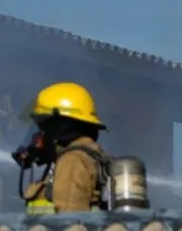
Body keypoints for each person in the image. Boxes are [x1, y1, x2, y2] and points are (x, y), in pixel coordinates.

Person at [17, 82, 112, 215]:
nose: (38, 137)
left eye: (43, 127)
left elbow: (70, 226)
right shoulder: (87, 156)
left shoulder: (73, 160)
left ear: (59, 127)